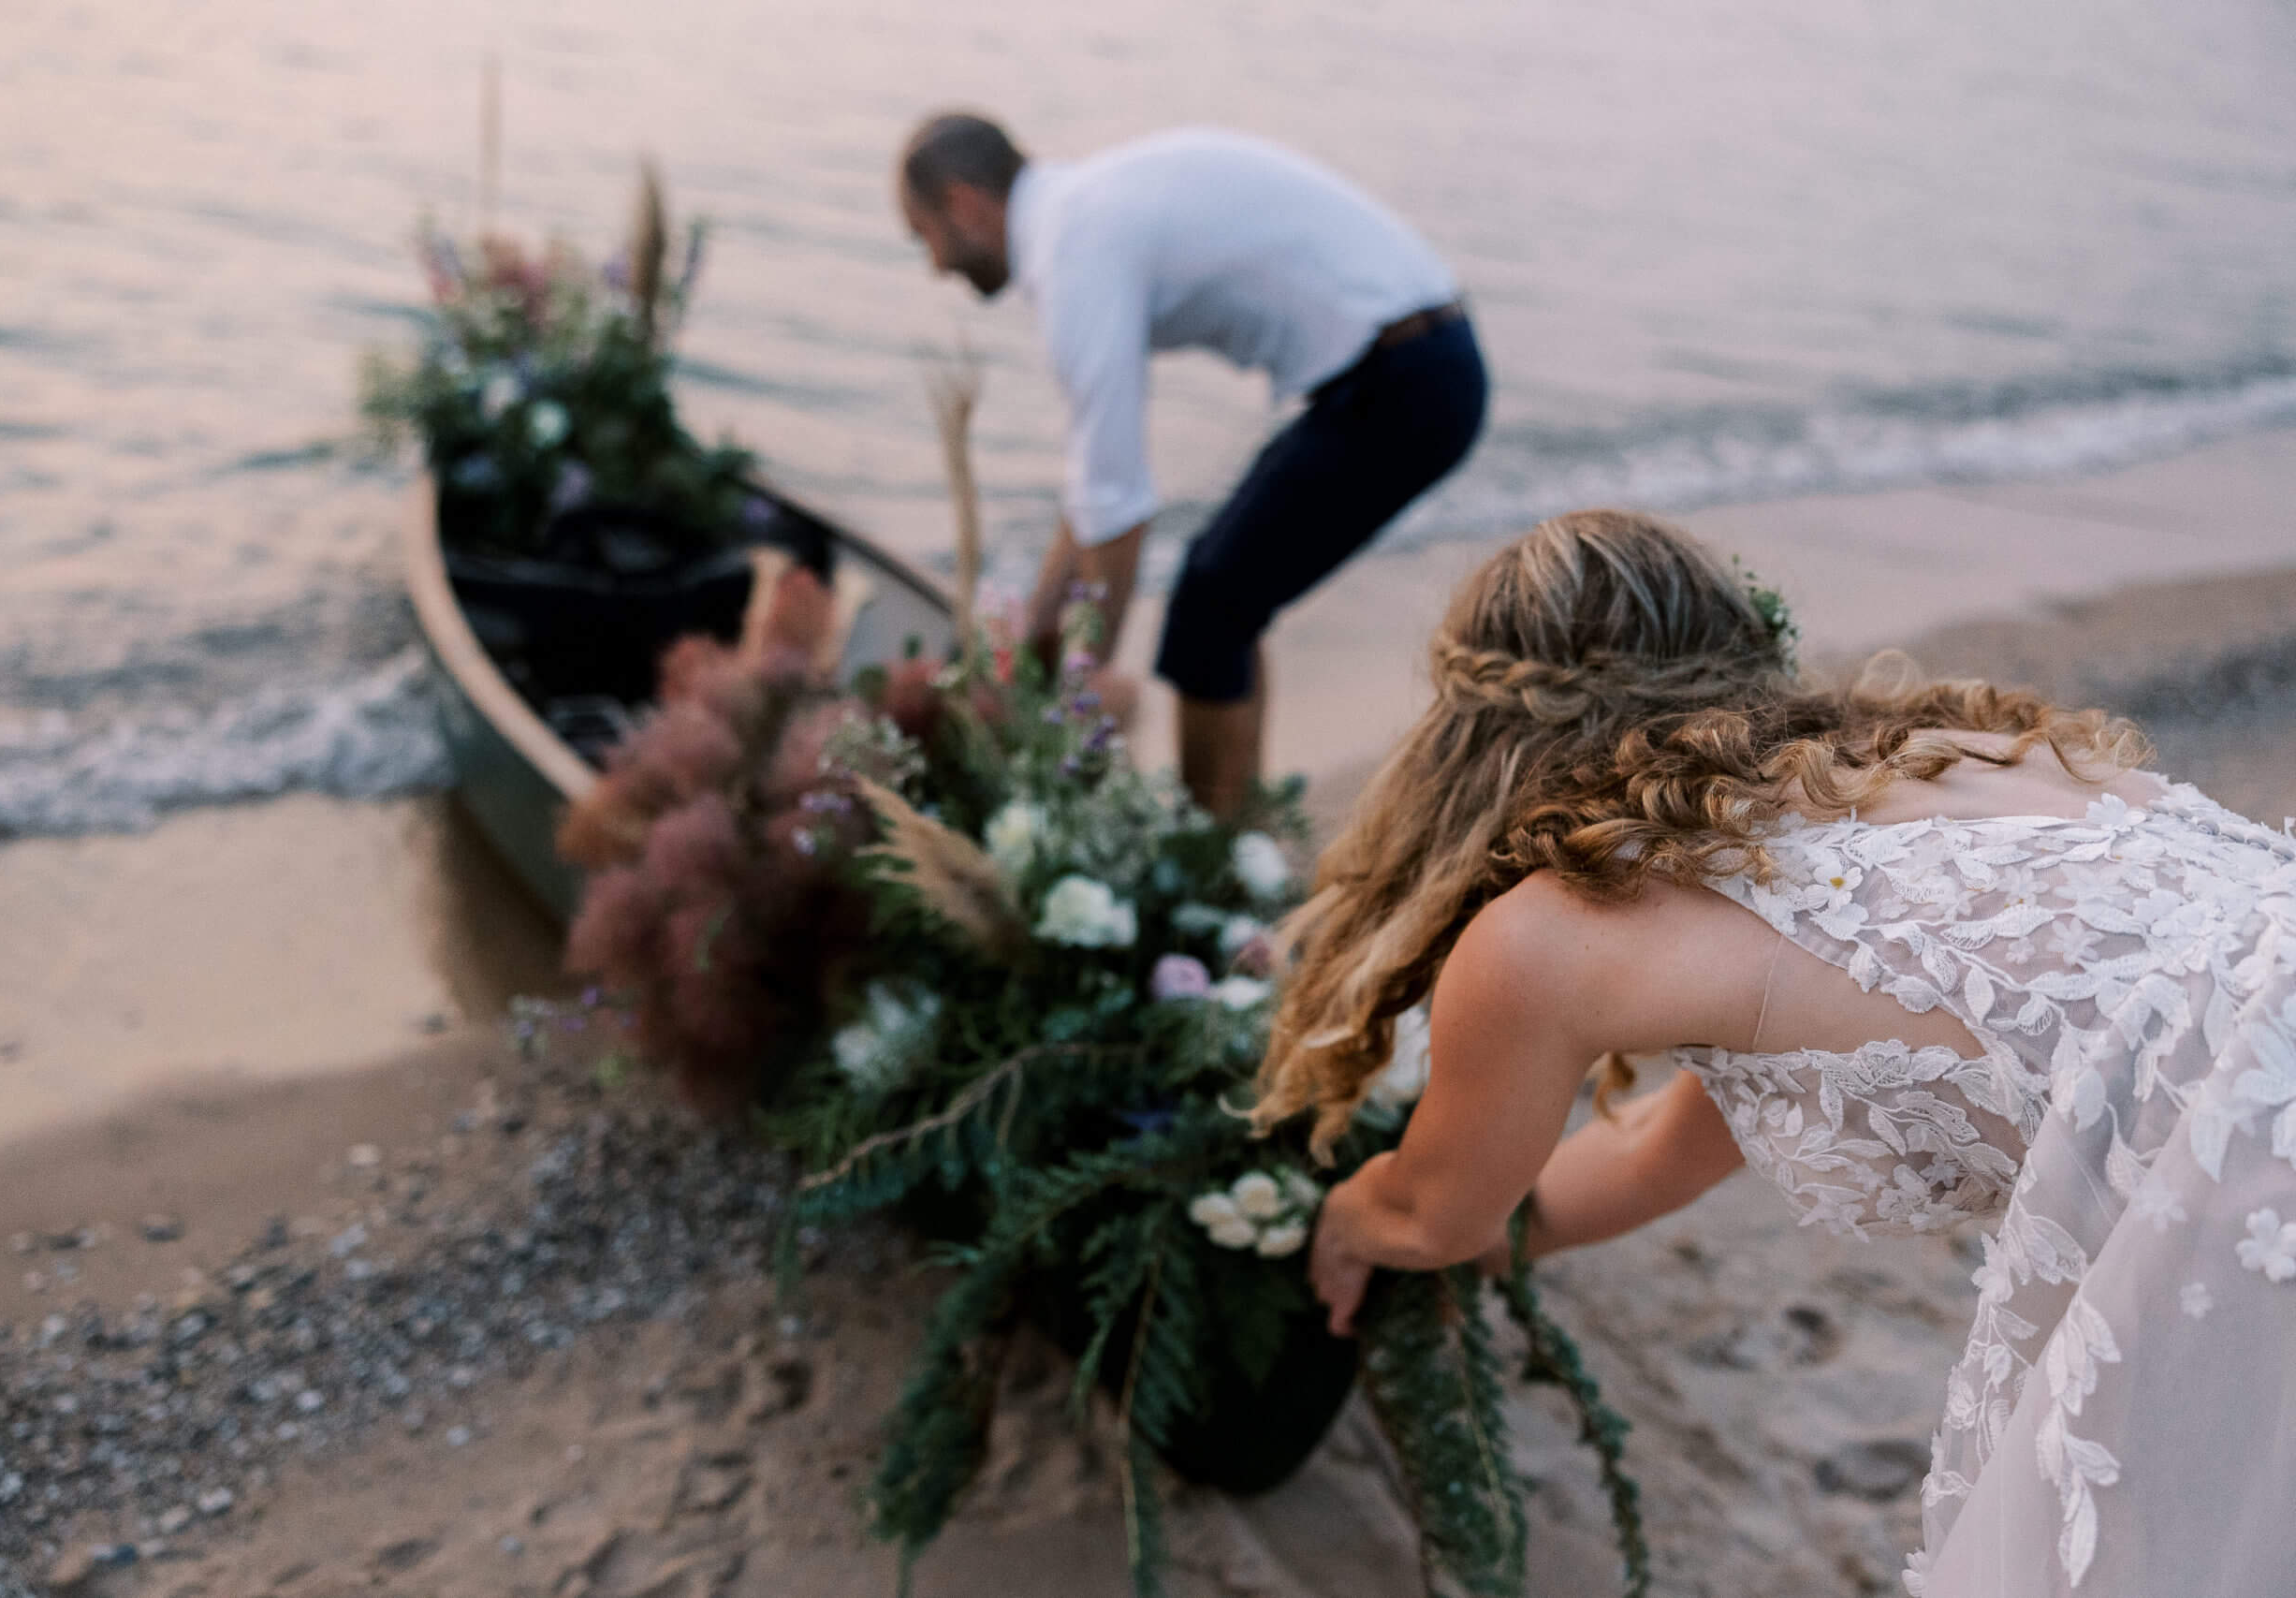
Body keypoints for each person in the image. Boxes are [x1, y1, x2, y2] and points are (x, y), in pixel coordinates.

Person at [1251, 509, 2296, 1596]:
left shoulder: (1548, 936)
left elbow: (1435, 1214)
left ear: (1471, 744)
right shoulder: (1968, 756)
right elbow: (1661, 1153)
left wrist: (1351, 1217)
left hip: (2249, 1172)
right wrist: (1489, 1235)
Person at [897, 113, 1487, 818]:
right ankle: (1240, 828)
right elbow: (1093, 492)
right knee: (1224, 595)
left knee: (1210, 609)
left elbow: (1117, 512)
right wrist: (1034, 631)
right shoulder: (1081, 214)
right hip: (1410, 360)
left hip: (1407, 378)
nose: (935, 265)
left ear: (964, 203)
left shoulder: (1072, 251)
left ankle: (1213, 852)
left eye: (924, 236)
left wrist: (1075, 714)